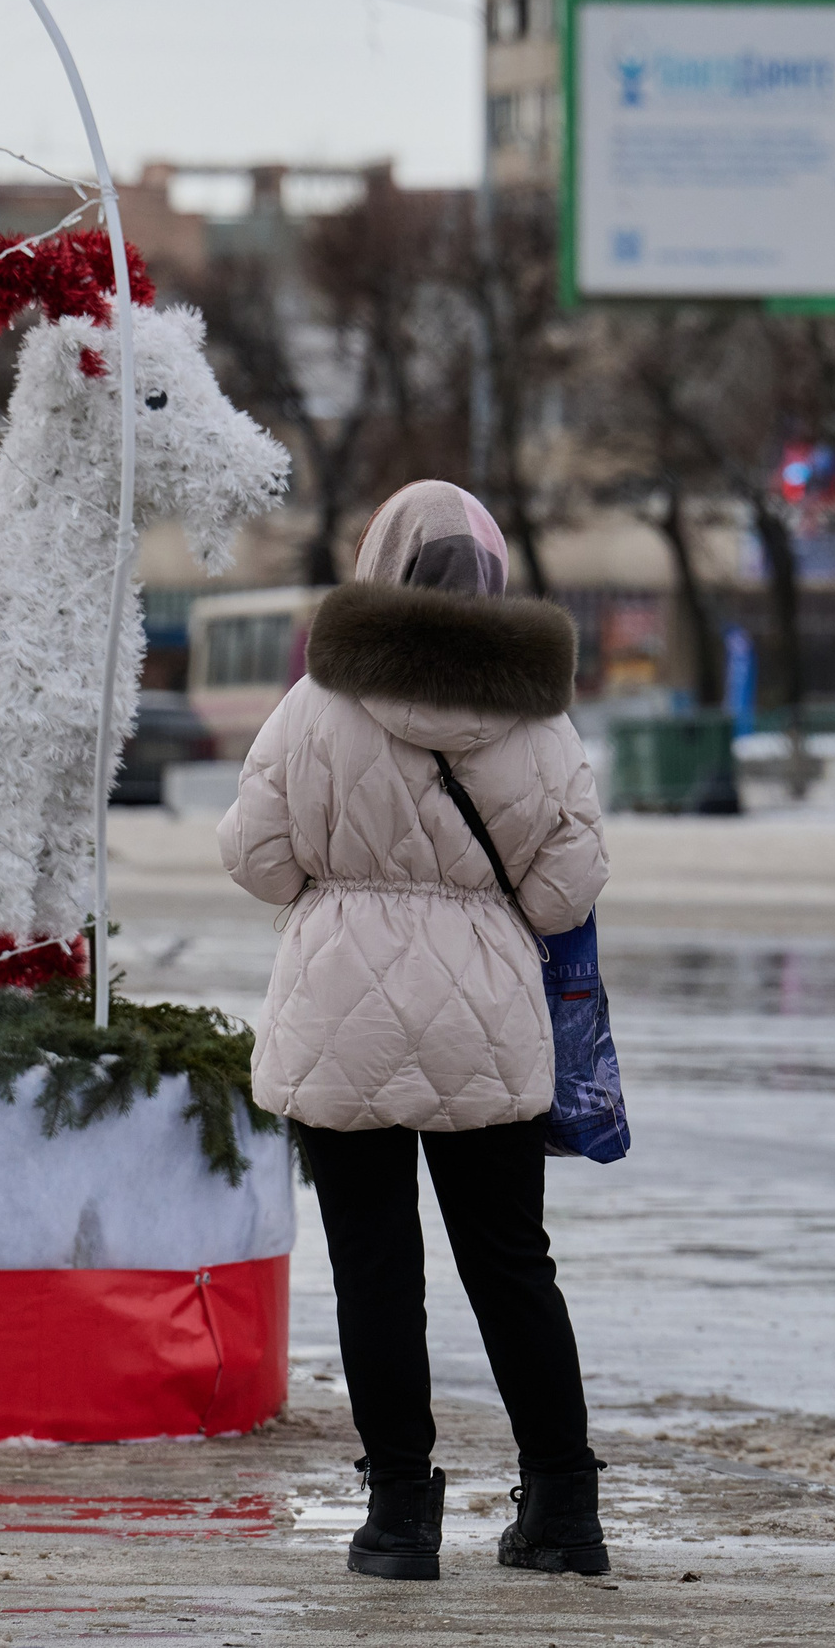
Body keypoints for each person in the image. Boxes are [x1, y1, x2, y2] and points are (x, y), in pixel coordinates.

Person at [217, 481, 610, 1582]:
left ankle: (399, 1519)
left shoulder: (315, 705)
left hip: (340, 1014)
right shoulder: (539, 722)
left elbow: (255, 858)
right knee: (512, 1265)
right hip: (486, 1020)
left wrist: (344, 879)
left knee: (375, 1272)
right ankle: (563, 1508)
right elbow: (566, 889)